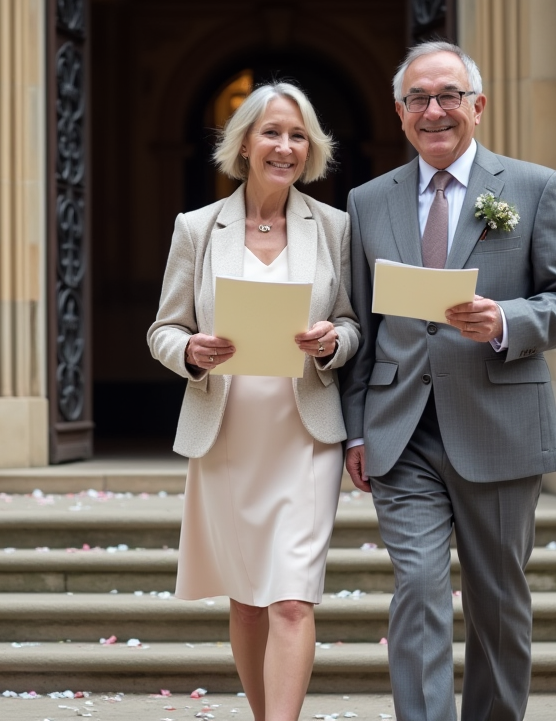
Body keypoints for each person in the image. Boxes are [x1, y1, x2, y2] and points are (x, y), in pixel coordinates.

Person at [340, 41, 556, 721]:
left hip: (501, 426)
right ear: (400, 114)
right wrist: (357, 428)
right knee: (418, 590)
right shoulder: (367, 202)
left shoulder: (535, 187)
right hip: (402, 434)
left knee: (498, 601)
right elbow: (362, 325)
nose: (435, 111)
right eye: (419, 99)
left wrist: (505, 319)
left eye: (448, 95)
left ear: (477, 106)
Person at [147, 82, 361, 721]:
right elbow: (163, 329)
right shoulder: (197, 229)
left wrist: (332, 342)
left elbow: (353, 326)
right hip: (228, 434)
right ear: (243, 143)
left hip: (304, 433)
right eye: (272, 132)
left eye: (298, 136)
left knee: (292, 600)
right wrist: (190, 353)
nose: (285, 147)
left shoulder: (334, 228)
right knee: (246, 598)